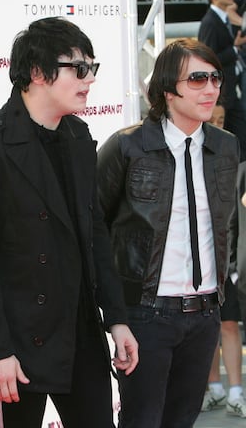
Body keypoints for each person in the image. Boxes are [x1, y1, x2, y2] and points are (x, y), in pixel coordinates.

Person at [0, 16, 138, 428]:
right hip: (18, 339)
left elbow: (95, 236)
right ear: (37, 72)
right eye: (78, 68)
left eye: (93, 68)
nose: (89, 80)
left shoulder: (78, 136)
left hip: (81, 331)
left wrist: (117, 319)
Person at [97, 38, 239, 427]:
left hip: (205, 314)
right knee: (142, 421)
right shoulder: (128, 147)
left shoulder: (225, 147)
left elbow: (225, 225)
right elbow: (95, 228)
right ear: (166, 90)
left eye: (215, 78)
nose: (210, 88)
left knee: (183, 421)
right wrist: (114, 312)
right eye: (197, 79)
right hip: (147, 315)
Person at [201, 102, 246, 418]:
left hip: (223, 259)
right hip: (195, 260)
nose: (218, 124)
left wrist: (231, 264)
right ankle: (214, 389)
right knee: (205, 329)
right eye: (212, 119)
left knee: (228, 324)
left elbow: (233, 217)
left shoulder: (234, 161)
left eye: (221, 118)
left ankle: (234, 391)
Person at [198, 0, 246, 160]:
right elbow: (207, 58)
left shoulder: (223, 18)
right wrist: (234, 49)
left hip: (230, 90)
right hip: (221, 94)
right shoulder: (210, 22)